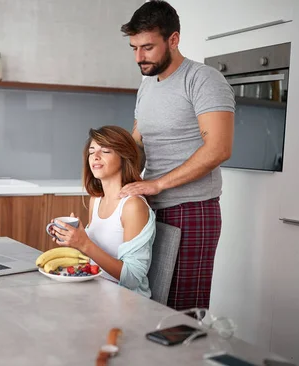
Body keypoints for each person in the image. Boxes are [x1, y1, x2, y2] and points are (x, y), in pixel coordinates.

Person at [118, 1, 235, 310]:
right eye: (134, 48)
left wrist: (157, 185)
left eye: (147, 47)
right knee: (148, 304)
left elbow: (219, 149)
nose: (139, 57)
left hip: (192, 210)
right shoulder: (147, 86)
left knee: (179, 316)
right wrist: (108, 173)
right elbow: (137, 146)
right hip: (152, 208)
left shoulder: (203, 80)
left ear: (173, 39)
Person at [49, 126, 156, 297]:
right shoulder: (96, 200)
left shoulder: (133, 206)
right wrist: (75, 240)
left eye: (105, 150)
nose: (95, 156)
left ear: (124, 157)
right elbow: (95, 258)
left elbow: (133, 278)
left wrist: (84, 244)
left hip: (126, 302)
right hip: (95, 291)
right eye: (92, 151)